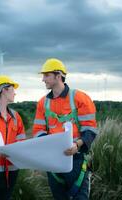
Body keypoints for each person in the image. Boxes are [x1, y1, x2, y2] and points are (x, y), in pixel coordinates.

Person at [33, 58, 98, 200]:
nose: (43, 79)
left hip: (77, 159)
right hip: (53, 160)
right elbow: (38, 130)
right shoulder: (42, 103)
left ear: (58, 76)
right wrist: (47, 146)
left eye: (46, 75)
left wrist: (77, 145)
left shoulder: (80, 98)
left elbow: (90, 130)